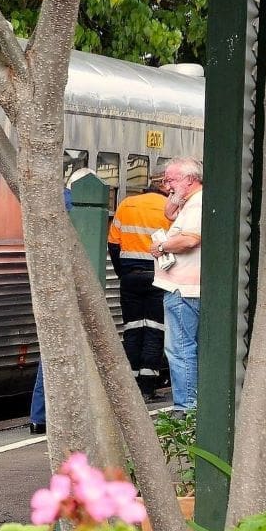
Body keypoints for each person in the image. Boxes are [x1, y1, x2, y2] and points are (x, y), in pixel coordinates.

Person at [29, 168, 89, 434]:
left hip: (48, 285)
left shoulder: (47, 200)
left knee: (49, 353)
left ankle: (39, 417)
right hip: (69, 286)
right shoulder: (74, 205)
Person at [148, 156, 203, 415]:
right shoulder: (189, 203)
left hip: (184, 290)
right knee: (183, 348)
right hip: (183, 289)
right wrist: (174, 200)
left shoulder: (197, 204)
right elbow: (169, 215)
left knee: (180, 349)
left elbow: (190, 240)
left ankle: (187, 407)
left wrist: (160, 246)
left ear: (190, 180)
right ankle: (189, 404)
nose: (166, 185)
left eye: (171, 179)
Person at [107, 176, 169, 400]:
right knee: (154, 329)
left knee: (132, 329)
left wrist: (122, 273)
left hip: (130, 277)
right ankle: (147, 386)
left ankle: (132, 383)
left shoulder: (127, 205)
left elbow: (113, 244)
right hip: (159, 277)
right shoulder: (169, 208)